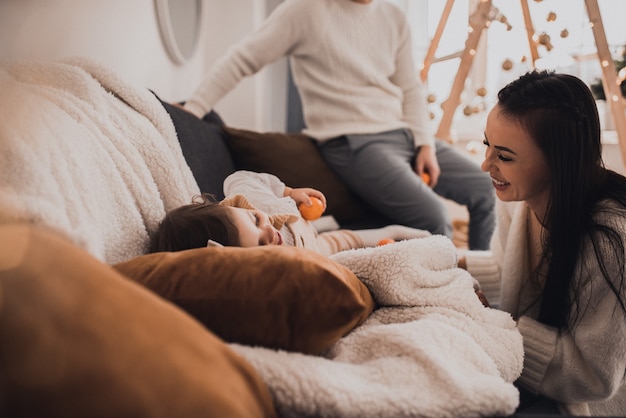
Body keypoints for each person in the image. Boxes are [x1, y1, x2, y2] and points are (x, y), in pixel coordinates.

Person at [181, 0, 496, 250]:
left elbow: (411, 88)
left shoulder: (393, 17)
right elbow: (242, 59)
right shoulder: (304, 11)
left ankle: (483, 295)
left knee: (486, 190)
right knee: (435, 217)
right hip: (354, 143)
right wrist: (192, 110)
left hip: (404, 134)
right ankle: (453, 299)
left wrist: (425, 144)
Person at [458, 70, 626, 415]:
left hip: (586, 402)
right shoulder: (518, 201)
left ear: (558, 162)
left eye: (504, 157)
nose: (485, 164)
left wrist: (493, 325)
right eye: (488, 145)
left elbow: (594, 376)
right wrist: (454, 266)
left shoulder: (609, 242)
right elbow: (510, 270)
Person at [150, 170, 430, 256]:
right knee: (377, 248)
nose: (269, 232)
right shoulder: (273, 268)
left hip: (313, 230)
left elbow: (239, 177)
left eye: (256, 221)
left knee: (393, 231)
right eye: (261, 244)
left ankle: (432, 239)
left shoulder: (250, 199)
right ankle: (426, 247)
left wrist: (289, 192)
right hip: (325, 251)